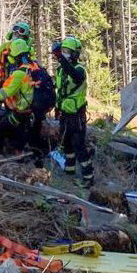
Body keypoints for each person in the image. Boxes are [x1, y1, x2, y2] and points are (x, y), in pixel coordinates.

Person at [52, 35, 93, 186]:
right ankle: (69, 171)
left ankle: (88, 178)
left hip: (76, 116)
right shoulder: (60, 70)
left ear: (75, 53)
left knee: (79, 146)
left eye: (67, 51)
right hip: (64, 113)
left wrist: (60, 58)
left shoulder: (79, 70)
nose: (64, 54)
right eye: (63, 51)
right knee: (67, 144)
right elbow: (60, 90)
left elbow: (74, 76)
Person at [0, 39, 35, 153]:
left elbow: (1, 95)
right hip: (31, 113)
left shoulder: (19, 74)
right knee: (19, 136)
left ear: (15, 57)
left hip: (21, 114)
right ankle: (20, 153)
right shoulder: (34, 69)